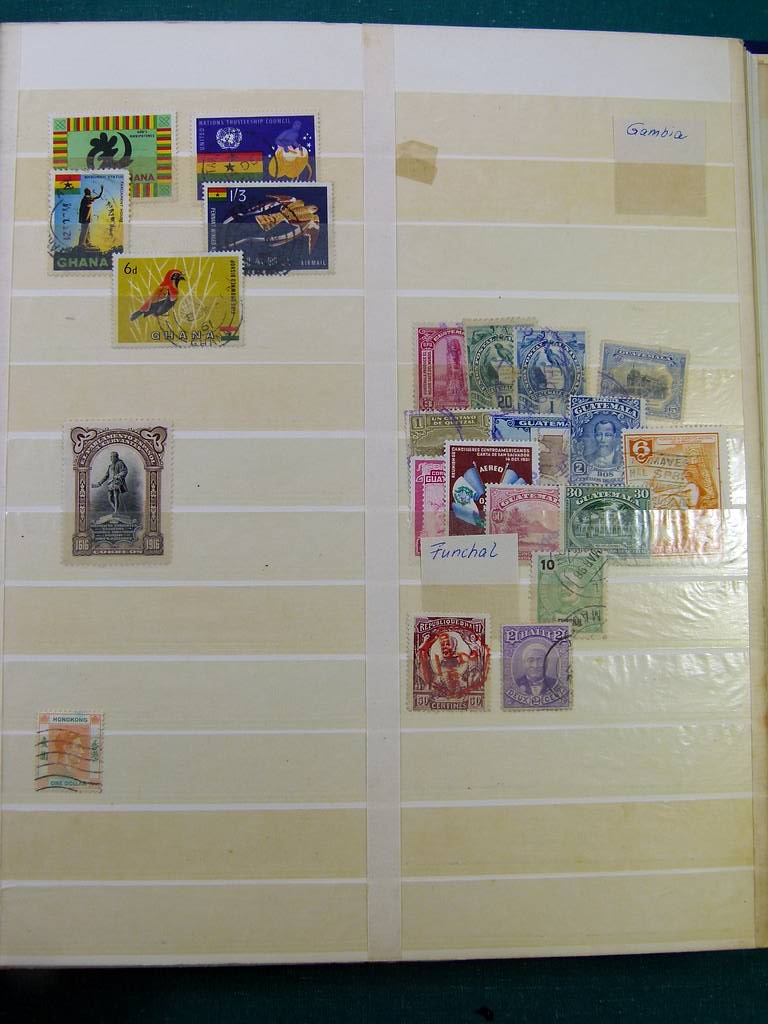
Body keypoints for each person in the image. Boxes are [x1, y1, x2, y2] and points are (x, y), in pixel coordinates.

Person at [91, 451, 128, 515]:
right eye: (110, 457)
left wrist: (118, 475)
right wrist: (99, 483)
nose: (111, 458)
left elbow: (124, 471)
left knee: (116, 496)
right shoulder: (110, 466)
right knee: (110, 499)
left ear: (116, 457)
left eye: (112, 457)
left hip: (116, 482)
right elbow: (106, 476)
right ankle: (116, 511)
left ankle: (116, 511)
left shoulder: (120, 463)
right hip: (110, 484)